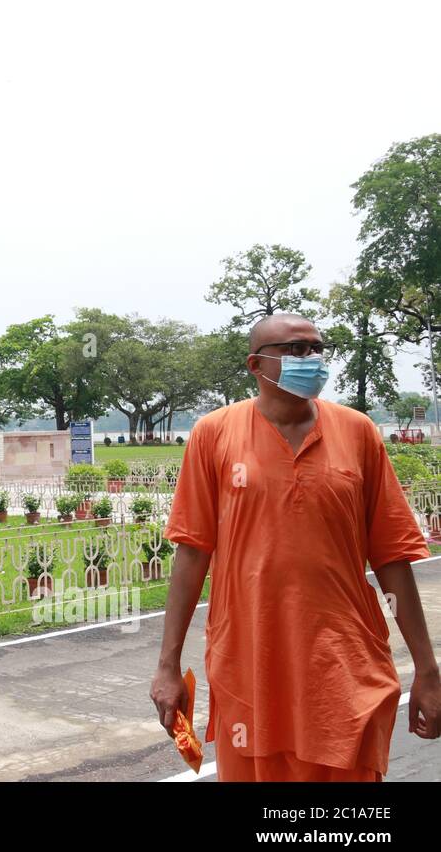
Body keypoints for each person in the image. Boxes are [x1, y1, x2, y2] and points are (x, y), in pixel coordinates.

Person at [150, 313, 440, 781]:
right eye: (295, 349)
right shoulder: (214, 434)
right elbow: (192, 551)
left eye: (317, 348)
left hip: (343, 662)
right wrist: (167, 666)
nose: (312, 359)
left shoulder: (358, 432)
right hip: (248, 661)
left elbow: (391, 556)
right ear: (256, 364)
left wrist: (427, 669)